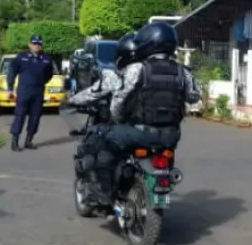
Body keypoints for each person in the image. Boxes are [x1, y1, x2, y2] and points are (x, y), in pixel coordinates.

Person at [68, 23, 200, 204]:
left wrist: (119, 118)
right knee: (164, 150)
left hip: (140, 132)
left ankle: (104, 192)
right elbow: (194, 98)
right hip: (171, 135)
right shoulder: (182, 71)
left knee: (104, 141)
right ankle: (162, 182)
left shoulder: (138, 69)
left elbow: (119, 99)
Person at [7, 35, 55, 152]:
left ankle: (29, 141)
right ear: (29, 45)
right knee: (20, 115)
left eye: (39, 44)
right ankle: (14, 141)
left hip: (38, 92)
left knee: (35, 117)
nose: (36, 46)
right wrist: (10, 87)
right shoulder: (21, 57)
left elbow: (50, 74)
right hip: (24, 91)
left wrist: (42, 82)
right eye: (34, 43)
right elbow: (12, 71)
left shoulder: (46, 58)